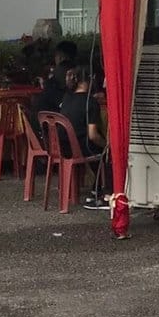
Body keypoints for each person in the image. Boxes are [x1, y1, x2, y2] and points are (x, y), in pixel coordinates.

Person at [58, 65, 107, 209]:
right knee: (106, 155)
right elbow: (93, 135)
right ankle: (100, 193)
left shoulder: (66, 98)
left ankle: (95, 189)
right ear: (89, 80)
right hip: (81, 147)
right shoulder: (90, 102)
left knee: (96, 150)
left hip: (63, 146)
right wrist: (107, 146)